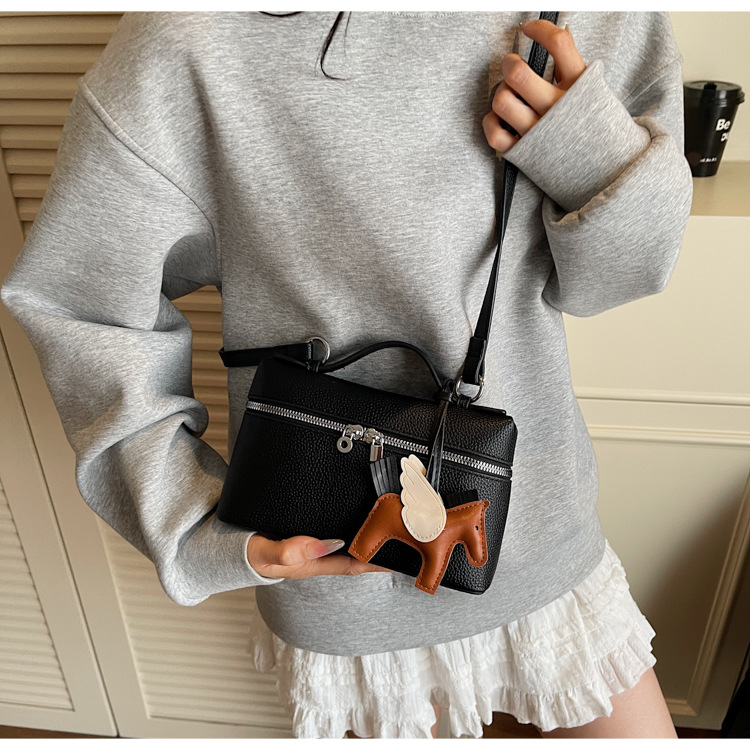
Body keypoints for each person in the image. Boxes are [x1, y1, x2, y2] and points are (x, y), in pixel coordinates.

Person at [0, 10, 692, 739]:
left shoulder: (574, 17)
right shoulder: (190, 39)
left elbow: (623, 277)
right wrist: (189, 519)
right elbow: (82, 305)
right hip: (337, 573)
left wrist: (589, 154)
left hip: (543, 544)